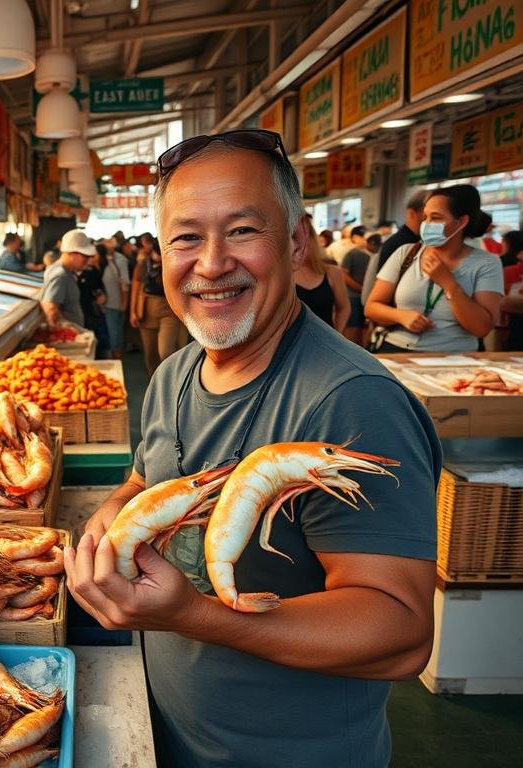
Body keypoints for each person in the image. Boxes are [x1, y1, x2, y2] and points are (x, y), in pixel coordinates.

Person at [64, 128, 440, 768]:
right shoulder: (174, 372)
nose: (211, 263)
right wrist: (115, 521)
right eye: (186, 237)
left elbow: (399, 633)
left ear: (296, 243)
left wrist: (195, 616)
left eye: (242, 230)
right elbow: (140, 481)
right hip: (173, 733)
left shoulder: (350, 401)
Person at [365, 184, 503, 353]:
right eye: (425, 217)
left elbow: (481, 328)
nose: (427, 224)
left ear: (461, 222)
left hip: (456, 358)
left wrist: (449, 284)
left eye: (436, 218)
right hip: (397, 350)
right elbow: (371, 307)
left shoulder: (486, 264)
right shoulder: (406, 253)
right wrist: (401, 316)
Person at [131, 233, 187, 375]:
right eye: (157, 252)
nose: (159, 256)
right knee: (150, 353)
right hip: (146, 309)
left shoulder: (173, 265)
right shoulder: (143, 266)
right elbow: (135, 288)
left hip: (168, 311)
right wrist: (132, 311)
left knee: (165, 351)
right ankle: (155, 382)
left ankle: (171, 381)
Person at [296, 215, 350, 331]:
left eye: (304, 236)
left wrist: (336, 336)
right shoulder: (280, 275)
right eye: (292, 237)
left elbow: (344, 307)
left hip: (326, 343)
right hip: (290, 346)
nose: (298, 244)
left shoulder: (332, 272)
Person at [40, 229, 89, 328]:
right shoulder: (60, 275)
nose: (87, 260)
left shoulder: (65, 272)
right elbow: (51, 309)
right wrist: (68, 331)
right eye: (85, 256)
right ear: (72, 254)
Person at [340, 227, 374, 346]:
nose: (367, 240)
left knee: (363, 327)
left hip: (366, 297)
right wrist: (360, 288)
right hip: (353, 296)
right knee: (353, 328)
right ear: (355, 238)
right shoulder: (351, 253)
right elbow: (343, 274)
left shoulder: (371, 254)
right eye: (364, 237)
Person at [79, 245, 111, 359]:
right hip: (88, 311)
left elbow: (99, 291)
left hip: (91, 312)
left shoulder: (92, 271)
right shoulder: (85, 272)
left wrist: (99, 296)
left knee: (96, 340)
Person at [101, 237, 131, 359]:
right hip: (105, 303)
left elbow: (125, 283)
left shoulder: (120, 259)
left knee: (115, 331)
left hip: (115, 302)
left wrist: (124, 302)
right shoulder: (101, 258)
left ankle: (116, 357)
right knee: (111, 331)